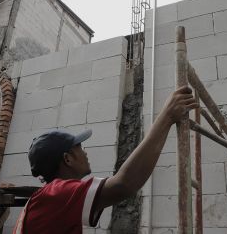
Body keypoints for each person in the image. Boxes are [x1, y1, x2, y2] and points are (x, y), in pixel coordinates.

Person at [13, 85, 198, 233]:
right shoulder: (57, 193)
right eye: (79, 147)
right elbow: (123, 185)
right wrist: (167, 116)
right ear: (67, 159)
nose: (85, 152)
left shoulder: (51, 197)